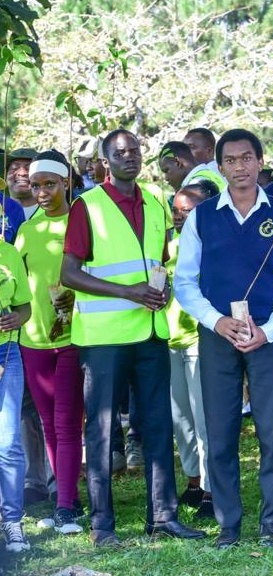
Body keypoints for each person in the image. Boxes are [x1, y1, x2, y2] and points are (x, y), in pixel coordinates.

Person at [61, 129, 204, 547]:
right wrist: (129, 292)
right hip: (104, 339)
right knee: (102, 431)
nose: (130, 158)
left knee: (157, 425)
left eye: (135, 151)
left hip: (151, 331)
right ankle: (102, 526)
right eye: (120, 153)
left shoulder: (157, 201)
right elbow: (68, 274)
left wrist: (160, 290)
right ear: (105, 161)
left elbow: (156, 261)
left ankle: (163, 516)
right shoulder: (87, 205)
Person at [174, 128, 273, 548]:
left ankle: (271, 521)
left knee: (272, 429)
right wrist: (216, 321)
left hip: (267, 334)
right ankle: (229, 522)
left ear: (261, 162)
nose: (239, 167)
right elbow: (185, 282)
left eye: (247, 158)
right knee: (221, 429)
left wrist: (268, 330)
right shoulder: (203, 215)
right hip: (217, 335)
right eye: (230, 160)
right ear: (221, 165)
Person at [18, 152, 83, 536]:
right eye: (36, 184)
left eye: (50, 184)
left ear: (65, 183)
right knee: (47, 423)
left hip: (73, 337)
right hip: (33, 339)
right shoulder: (28, 229)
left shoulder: (81, 221)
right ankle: (66, 497)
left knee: (67, 422)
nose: (42, 192)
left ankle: (65, 506)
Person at [165, 181, 215, 519]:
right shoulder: (167, 246)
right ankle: (194, 480)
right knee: (180, 419)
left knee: (205, 420)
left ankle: (213, 490)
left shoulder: (213, 244)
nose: (180, 217)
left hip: (200, 341)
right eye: (176, 210)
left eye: (189, 210)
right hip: (170, 341)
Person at [0, 198, 31, 552]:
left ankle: (12, 522)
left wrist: (16, 318)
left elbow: (24, 307)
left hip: (7, 351)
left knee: (8, 443)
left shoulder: (9, 253)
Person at [157, 141, 226, 193]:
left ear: (177, 162)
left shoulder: (196, 184)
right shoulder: (211, 173)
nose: (166, 178)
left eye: (166, 170)